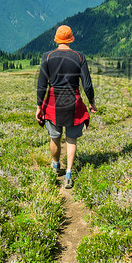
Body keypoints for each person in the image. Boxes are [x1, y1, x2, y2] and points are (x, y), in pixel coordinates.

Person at [35, 25, 97, 189]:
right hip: (73, 101)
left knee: (54, 136)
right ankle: (69, 172)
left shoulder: (47, 57)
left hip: (53, 103)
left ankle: (56, 164)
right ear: (71, 39)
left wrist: (39, 106)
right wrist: (91, 102)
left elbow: (42, 84)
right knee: (71, 139)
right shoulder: (79, 56)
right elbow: (87, 84)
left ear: (56, 39)